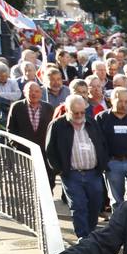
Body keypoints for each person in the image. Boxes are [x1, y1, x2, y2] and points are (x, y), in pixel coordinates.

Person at [46, 95, 108, 238]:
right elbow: (50, 150)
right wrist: (60, 170)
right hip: (71, 174)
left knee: (95, 203)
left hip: (93, 173)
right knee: (78, 205)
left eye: (82, 112)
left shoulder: (92, 123)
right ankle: (83, 236)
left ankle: (90, 232)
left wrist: (102, 164)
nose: (80, 115)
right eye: (76, 112)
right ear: (67, 110)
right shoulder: (57, 125)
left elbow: (102, 144)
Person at [95, 86, 127, 210]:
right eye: (120, 101)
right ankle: (118, 225)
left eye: (126, 101)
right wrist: (104, 162)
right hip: (112, 163)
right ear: (111, 101)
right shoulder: (101, 118)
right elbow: (97, 142)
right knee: (116, 198)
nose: (123, 105)